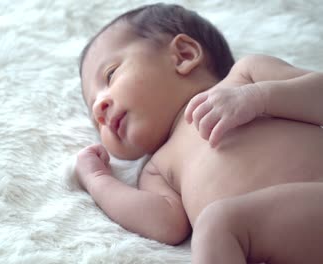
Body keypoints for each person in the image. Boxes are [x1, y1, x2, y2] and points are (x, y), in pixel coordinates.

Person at [75, 3, 323, 264]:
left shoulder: (246, 77)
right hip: (278, 241)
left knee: (216, 225)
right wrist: (97, 179)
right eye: (95, 121)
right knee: (216, 226)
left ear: (183, 55)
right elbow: (164, 226)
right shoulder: (157, 169)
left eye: (111, 75)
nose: (99, 108)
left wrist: (259, 98)